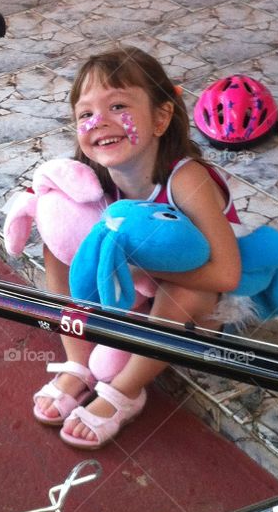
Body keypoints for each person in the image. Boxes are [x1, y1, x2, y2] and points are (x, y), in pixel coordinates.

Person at [33, 46, 242, 450]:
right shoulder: (92, 180)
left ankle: (126, 391)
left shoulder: (187, 179)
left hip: (198, 302)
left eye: (118, 105)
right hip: (130, 291)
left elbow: (226, 274)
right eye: (85, 114)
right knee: (55, 235)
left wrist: (141, 267)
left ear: (161, 117)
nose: (100, 122)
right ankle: (78, 360)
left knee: (185, 292)